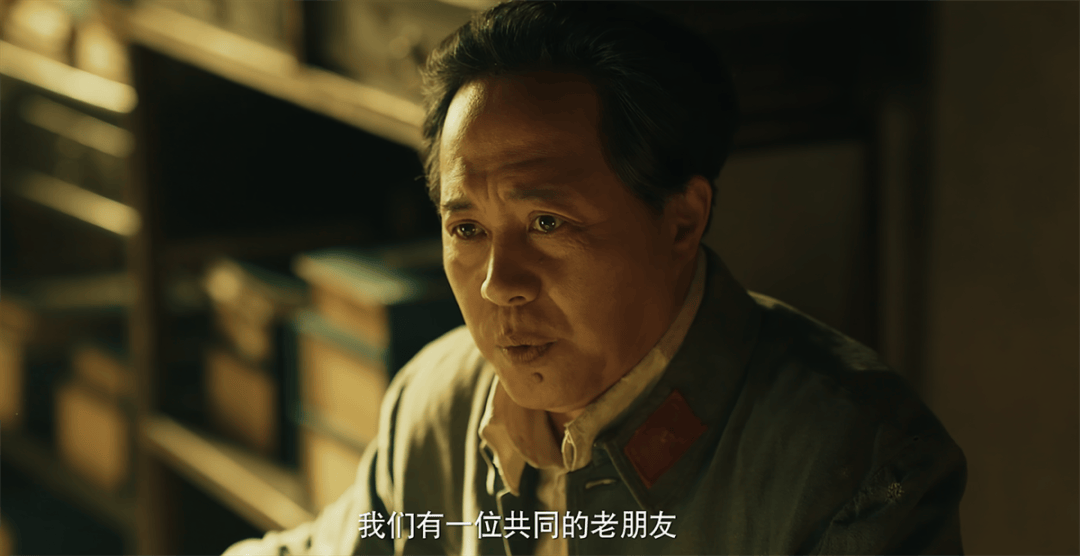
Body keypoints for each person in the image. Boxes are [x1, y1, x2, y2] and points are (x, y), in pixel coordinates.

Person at [224, 1, 966, 554]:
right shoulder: (439, 401)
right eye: (467, 229)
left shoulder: (856, 462)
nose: (498, 284)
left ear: (681, 220)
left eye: (547, 223)